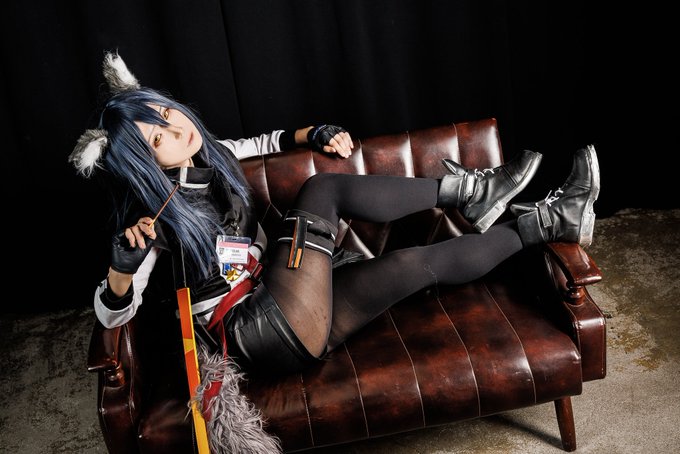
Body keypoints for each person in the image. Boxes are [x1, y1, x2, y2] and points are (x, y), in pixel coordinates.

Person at [71, 51, 599, 450]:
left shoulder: (213, 155)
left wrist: (314, 132)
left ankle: (549, 221)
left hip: (286, 297)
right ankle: (472, 191)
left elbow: (266, 143)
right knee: (321, 190)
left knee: (412, 264)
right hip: (257, 331)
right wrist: (120, 271)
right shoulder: (150, 221)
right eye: (156, 139)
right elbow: (112, 312)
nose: (175, 129)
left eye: (165, 114)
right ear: (142, 163)